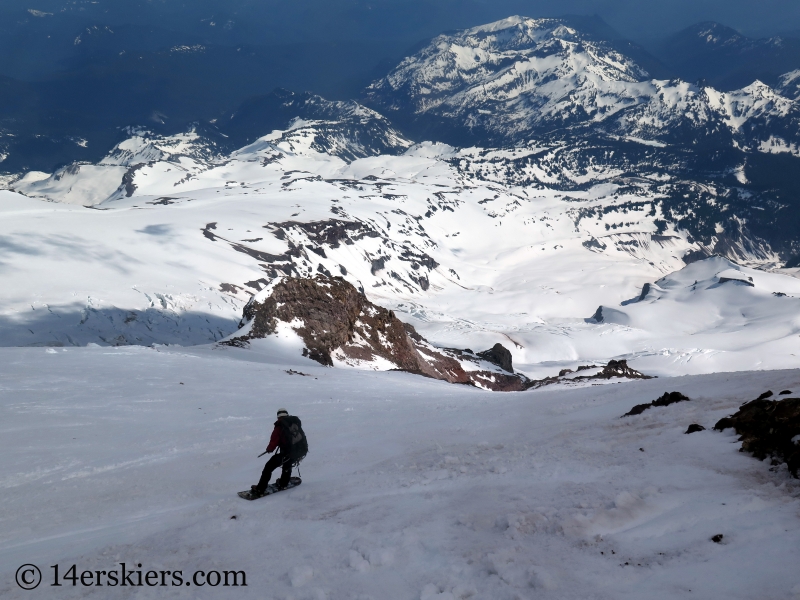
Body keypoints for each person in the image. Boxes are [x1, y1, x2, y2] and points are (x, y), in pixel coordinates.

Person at [251, 408, 306, 496]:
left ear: (278, 417)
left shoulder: (280, 427)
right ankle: (283, 484)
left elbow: (273, 443)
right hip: (296, 452)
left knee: (268, 468)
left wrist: (269, 449)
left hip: (286, 453)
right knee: (287, 466)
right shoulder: (294, 424)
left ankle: (260, 488)